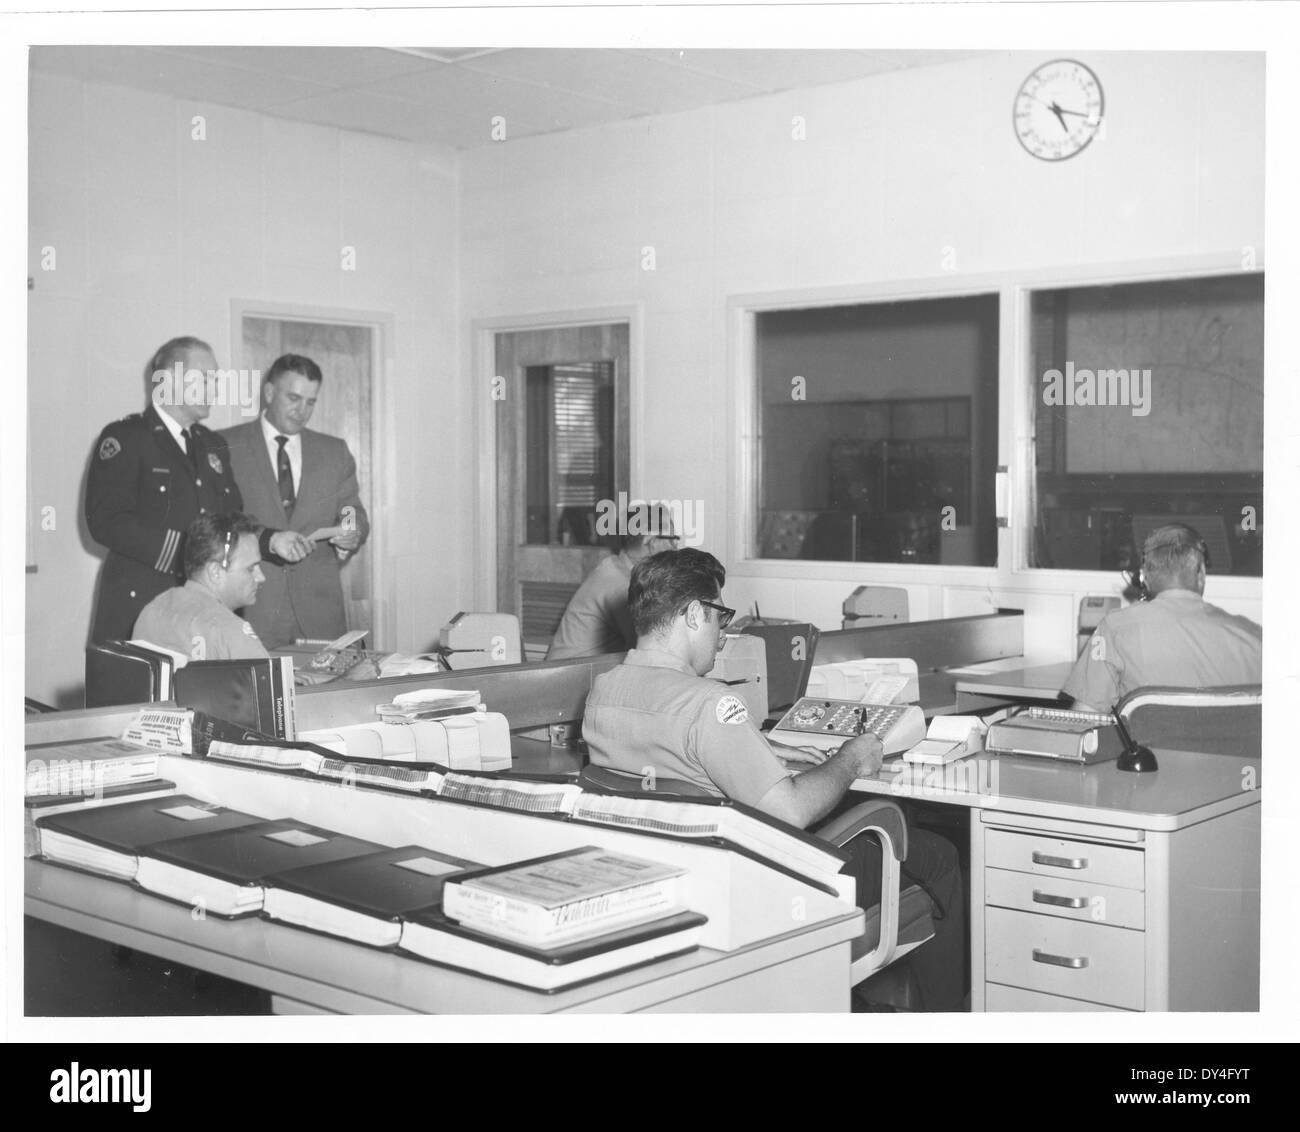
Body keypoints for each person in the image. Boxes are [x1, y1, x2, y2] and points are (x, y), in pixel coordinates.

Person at [582, 547, 966, 1011]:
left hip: (680, 887)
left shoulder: (603, 692)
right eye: (720, 618)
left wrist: (769, 749)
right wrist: (850, 758)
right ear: (694, 613)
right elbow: (790, 811)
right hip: (758, 891)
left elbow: (676, 755)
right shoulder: (709, 703)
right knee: (939, 853)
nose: (722, 636)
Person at [85, 337, 313, 643]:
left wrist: (272, 542)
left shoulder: (211, 444)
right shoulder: (127, 438)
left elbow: (229, 524)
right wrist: (190, 555)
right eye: (204, 379)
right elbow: (106, 521)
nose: (214, 389)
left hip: (205, 612)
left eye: (215, 380)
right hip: (143, 606)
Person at [221, 354, 370, 649]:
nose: (302, 411)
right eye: (293, 398)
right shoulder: (225, 446)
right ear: (269, 393)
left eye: (311, 402)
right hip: (250, 611)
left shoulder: (334, 451)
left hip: (320, 616)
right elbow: (219, 523)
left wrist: (350, 531)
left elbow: (351, 509)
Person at [1064, 523, 1263, 711]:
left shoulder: (1115, 629)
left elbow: (1085, 721)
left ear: (1144, 578)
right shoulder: (1256, 638)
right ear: (1201, 572)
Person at [546, 502, 679, 660]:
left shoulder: (615, 569)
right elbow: (653, 649)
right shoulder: (620, 585)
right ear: (650, 541)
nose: (675, 548)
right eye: (671, 539)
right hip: (569, 679)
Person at [132, 513, 270, 661]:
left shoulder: (151, 611)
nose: (261, 577)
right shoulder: (230, 630)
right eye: (251, 568)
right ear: (215, 572)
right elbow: (270, 682)